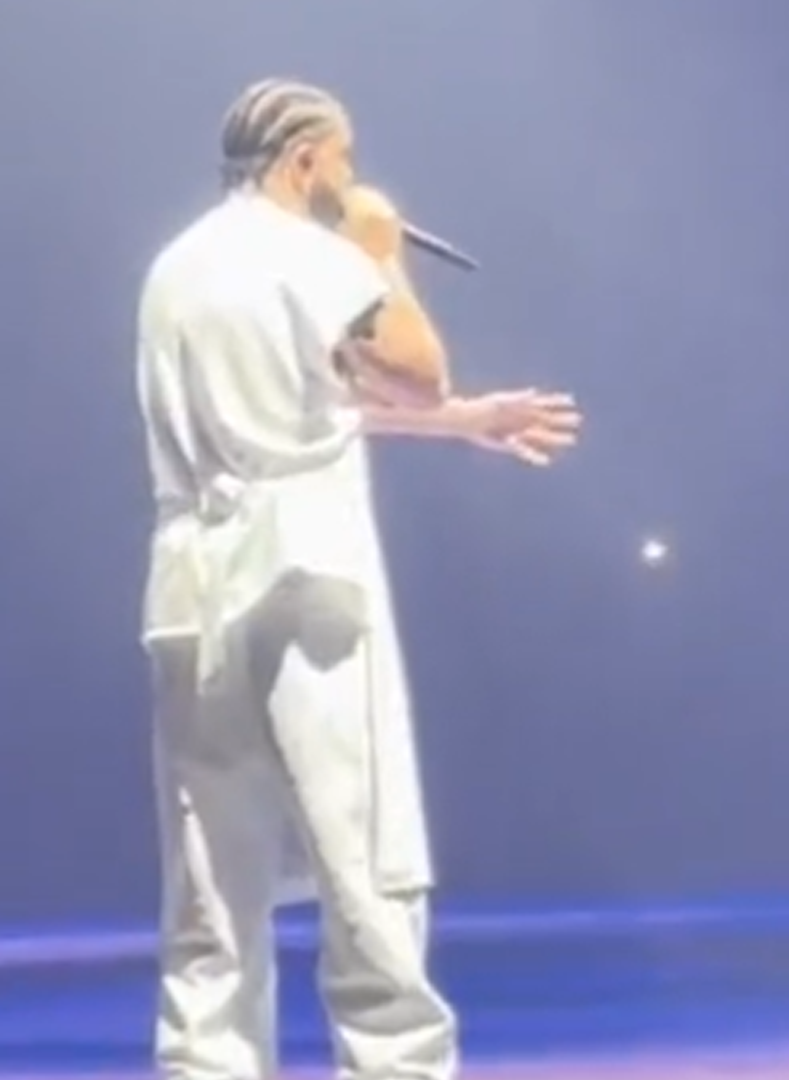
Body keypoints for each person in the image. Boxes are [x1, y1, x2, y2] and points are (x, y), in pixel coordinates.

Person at [135, 78, 581, 1080]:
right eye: (343, 158)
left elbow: (294, 417)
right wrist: (377, 251)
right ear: (304, 160)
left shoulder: (178, 266)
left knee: (211, 887)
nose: (351, 176)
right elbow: (418, 369)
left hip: (192, 595)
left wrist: (464, 425)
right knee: (366, 857)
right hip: (309, 584)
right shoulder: (317, 254)